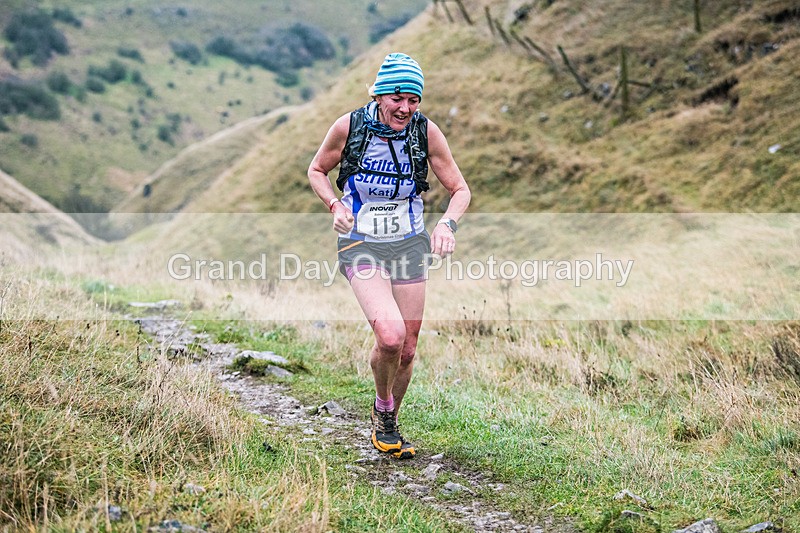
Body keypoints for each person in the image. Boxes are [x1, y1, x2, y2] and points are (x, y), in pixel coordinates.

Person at [308, 52, 470, 459]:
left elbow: (460, 190)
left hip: (409, 243)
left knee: (409, 348)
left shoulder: (426, 133)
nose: (405, 108)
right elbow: (316, 170)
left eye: (413, 100)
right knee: (391, 336)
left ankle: (389, 421)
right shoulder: (350, 127)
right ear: (379, 94)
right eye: (397, 97)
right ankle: (382, 410)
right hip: (360, 241)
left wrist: (447, 225)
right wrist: (335, 206)